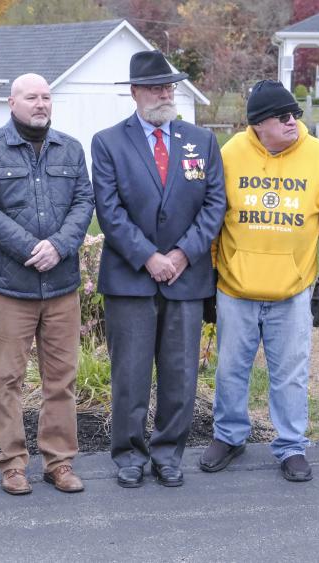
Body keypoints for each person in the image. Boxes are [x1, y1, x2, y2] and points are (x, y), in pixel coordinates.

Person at [198, 80, 319, 482]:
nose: (292, 121)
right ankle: (229, 436)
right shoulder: (231, 153)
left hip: (293, 291)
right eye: (283, 116)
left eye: (295, 113)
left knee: (291, 372)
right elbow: (214, 217)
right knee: (231, 369)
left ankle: (291, 445)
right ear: (258, 124)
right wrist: (209, 278)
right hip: (235, 288)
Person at [92, 51, 226, 488]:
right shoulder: (108, 142)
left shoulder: (201, 141)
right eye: (155, 87)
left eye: (169, 86)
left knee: (181, 372)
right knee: (130, 373)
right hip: (132, 277)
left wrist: (183, 254)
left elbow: (214, 204)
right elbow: (109, 212)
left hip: (186, 277)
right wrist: (150, 257)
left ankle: (169, 453)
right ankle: (129, 455)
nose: (165, 93)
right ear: (135, 93)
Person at [0, 73, 94, 495]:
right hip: (9, 287)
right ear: (12, 103)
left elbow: (83, 202)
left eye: (46, 97)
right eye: (31, 97)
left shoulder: (70, 149)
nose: (40, 104)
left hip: (61, 286)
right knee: (7, 380)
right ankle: (12, 464)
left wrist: (58, 246)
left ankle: (58, 462)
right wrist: (31, 247)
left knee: (62, 380)